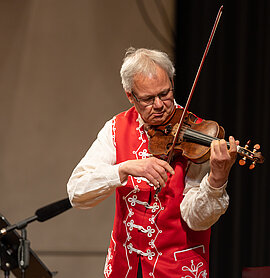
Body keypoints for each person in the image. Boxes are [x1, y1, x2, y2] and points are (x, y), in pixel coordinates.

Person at [67, 47, 238, 278]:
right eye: (148, 99)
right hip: (124, 267)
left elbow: (197, 220)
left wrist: (217, 179)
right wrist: (123, 169)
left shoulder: (197, 135)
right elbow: (76, 192)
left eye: (165, 94)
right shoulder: (116, 128)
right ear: (130, 96)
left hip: (176, 269)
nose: (159, 105)